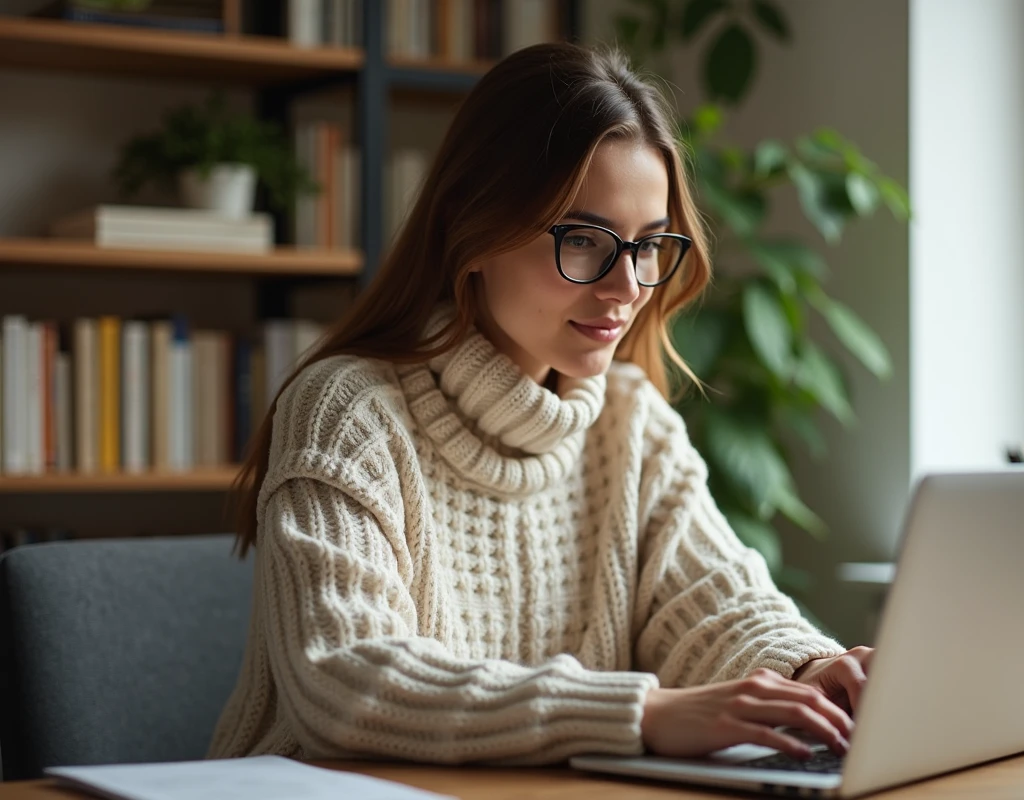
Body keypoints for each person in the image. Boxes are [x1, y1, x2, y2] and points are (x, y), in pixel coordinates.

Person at [209, 41, 873, 767]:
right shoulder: (347, 412)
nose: (626, 288)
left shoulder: (630, 421)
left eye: (648, 247)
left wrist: (808, 674)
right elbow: (346, 681)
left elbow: (717, 605)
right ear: (474, 233)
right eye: (585, 241)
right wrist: (640, 713)